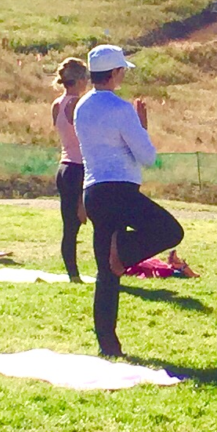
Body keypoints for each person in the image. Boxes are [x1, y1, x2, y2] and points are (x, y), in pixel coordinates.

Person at [76, 44, 185, 358]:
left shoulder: (82, 106)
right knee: (170, 231)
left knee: (105, 274)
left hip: (94, 191)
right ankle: (122, 250)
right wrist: (140, 126)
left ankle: (108, 346)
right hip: (120, 190)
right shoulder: (121, 109)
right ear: (114, 73)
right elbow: (147, 156)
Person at [51, 57, 89, 282]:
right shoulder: (77, 104)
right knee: (93, 221)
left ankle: (72, 274)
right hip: (79, 168)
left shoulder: (57, 104)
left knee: (70, 227)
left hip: (65, 167)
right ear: (79, 80)